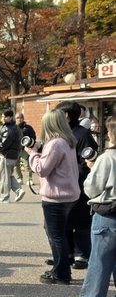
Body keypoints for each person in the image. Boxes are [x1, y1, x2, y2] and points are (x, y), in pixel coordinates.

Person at [27, 109, 80, 284]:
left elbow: (42, 169)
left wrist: (32, 153)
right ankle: (61, 269)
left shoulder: (55, 143)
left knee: (55, 235)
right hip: (69, 194)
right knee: (60, 234)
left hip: (56, 196)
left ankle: (61, 273)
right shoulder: (68, 140)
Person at [74, 115, 116, 297]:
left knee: (100, 259)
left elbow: (92, 188)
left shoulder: (107, 158)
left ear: (111, 135)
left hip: (108, 213)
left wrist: (92, 169)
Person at [57, 101, 98, 271]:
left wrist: (71, 175)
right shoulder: (60, 134)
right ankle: (65, 254)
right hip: (63, 186)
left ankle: (82, 254)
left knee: (80, 222)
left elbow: (86, 162)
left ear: (66, 115)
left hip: (79, 185)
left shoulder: (82, 135)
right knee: (63, 221)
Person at [0, 109, 24, 203]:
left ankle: (5, 197)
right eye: (2, 116)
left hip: (6, 155)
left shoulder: (9, 129)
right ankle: (19, 190)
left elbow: (4, 143)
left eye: (5, 116)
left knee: (4, 177)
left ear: (11, 117)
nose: (3, 118)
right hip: (14, 155)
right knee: (8, 176)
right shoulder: (16, 127)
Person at [14, 112, 36, 187]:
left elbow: (33, 137)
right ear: (15, 119)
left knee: (27, 164)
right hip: (15, 149)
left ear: (23, 119)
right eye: (17, 118)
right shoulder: (13, 127)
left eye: (20, 118)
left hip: (25, 149)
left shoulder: (28, 128)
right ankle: (19, 178)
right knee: (15, 165)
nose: (19, 119)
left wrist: (30, 145)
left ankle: (29, 179)